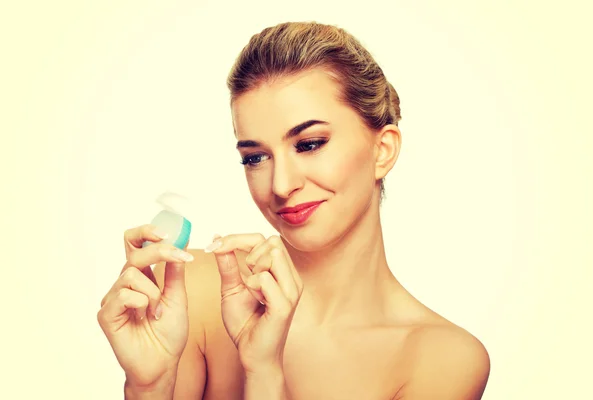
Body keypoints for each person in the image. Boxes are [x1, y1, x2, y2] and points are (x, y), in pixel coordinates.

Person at [98, 21, 491, 399]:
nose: (281, 185)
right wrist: (150, 388)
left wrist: (264, 371)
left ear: (382, 150)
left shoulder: (443, 360)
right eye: (255, 158)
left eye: (310, 143)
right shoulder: (193, 295)